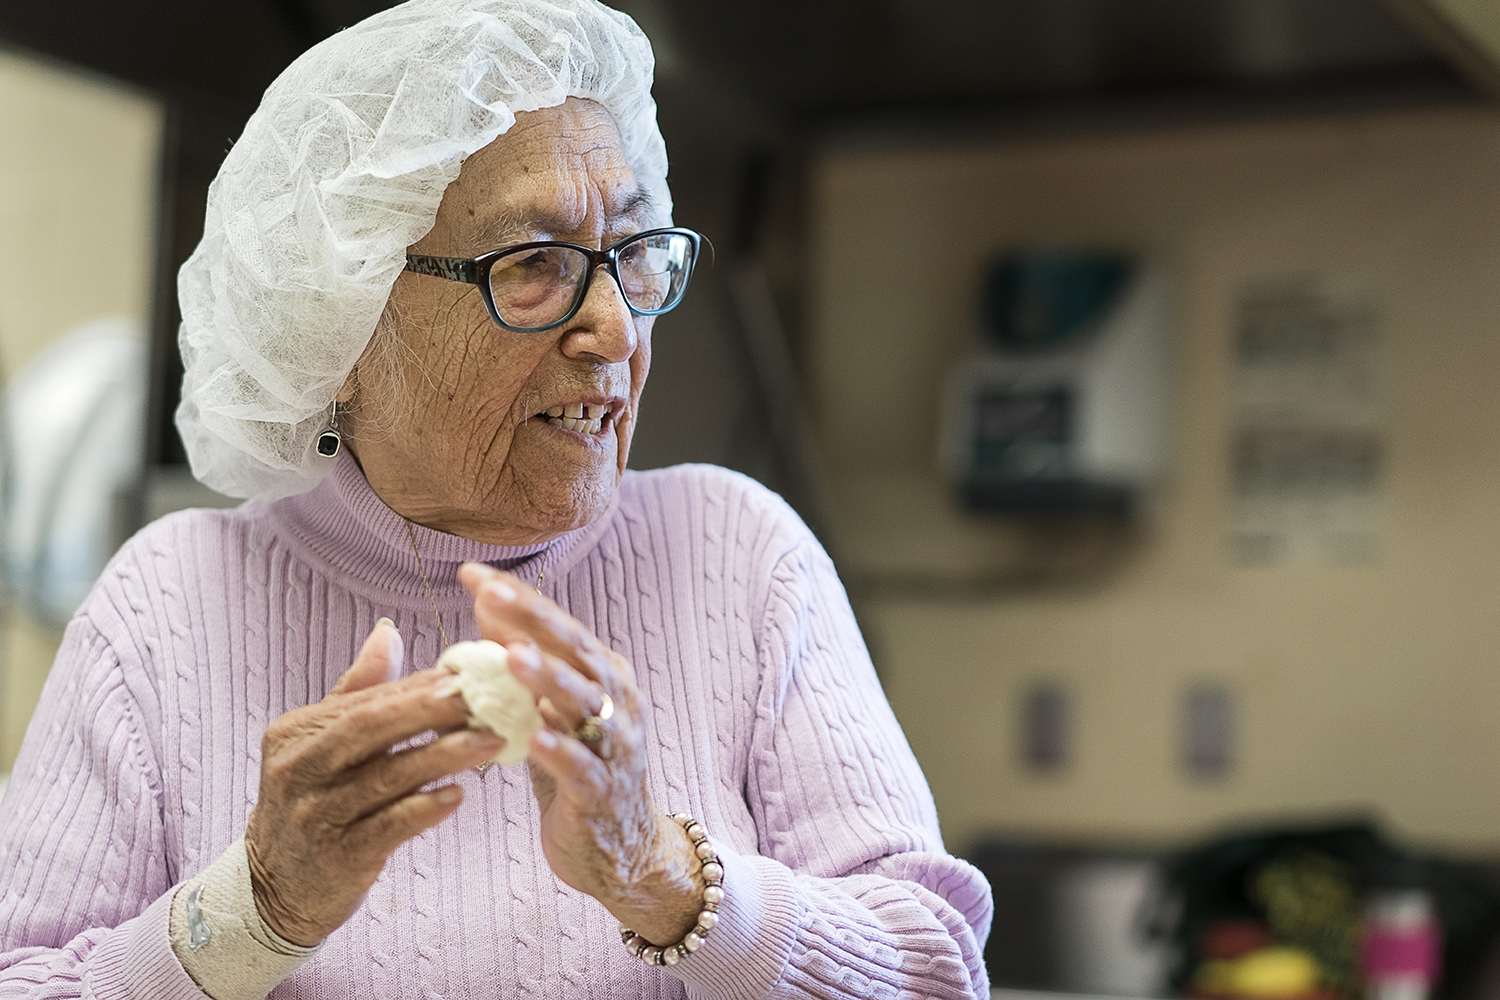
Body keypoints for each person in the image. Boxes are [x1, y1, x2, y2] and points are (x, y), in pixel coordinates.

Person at [0, 1, 993, 997]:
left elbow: (941, 972)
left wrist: (668, 877)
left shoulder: (744, 558)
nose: (614, 327)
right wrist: (255, 909)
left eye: (632, 253)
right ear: (337, 330)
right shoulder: (164, 609)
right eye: (535, 263)